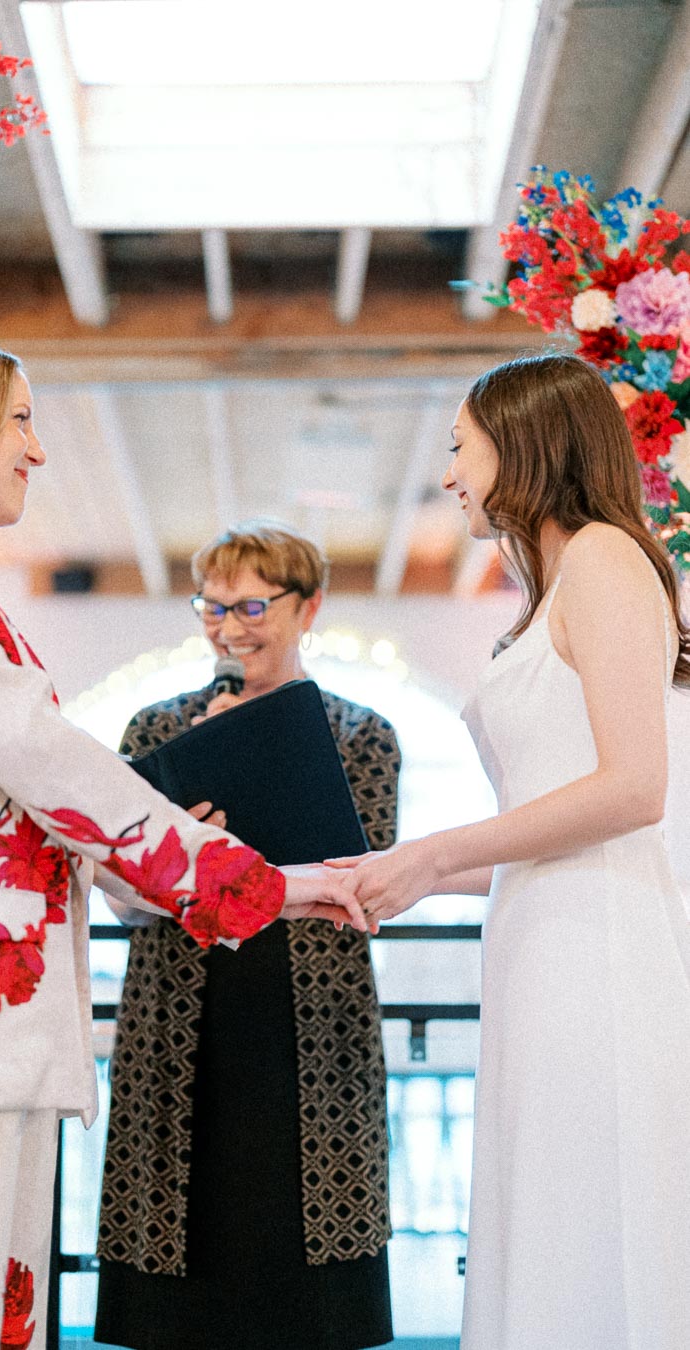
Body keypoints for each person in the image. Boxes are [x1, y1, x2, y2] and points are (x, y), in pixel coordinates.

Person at [0, 335, 363, 1350]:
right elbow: (42, 759)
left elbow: (39, 796)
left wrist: (252, 885)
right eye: (20, 419)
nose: (38, 449)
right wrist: (258, 885)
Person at [331, 353, 690, 1350]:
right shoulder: (560, 584)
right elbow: (548, 819)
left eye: (460, 447)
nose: (450, 475)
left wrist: (438, 851)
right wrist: (394, 870)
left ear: (524, 440)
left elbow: (633, 790)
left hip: (601, 951)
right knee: (551, 1215)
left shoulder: (608, 562)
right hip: (544, 940)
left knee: (594, 1223)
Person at [94, 523, 401, 1350]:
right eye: (214, 607)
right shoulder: (154, 731)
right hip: (180, 1016)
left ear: (310, 609)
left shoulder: (361, 734)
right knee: (182, 1253)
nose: (231, 627)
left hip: (311, 1022)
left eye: (254, 605)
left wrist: (237, 830)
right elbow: (117, 889)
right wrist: (170, 863)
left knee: (303, 1275)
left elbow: (362, 875)